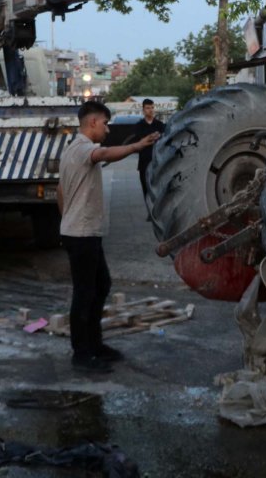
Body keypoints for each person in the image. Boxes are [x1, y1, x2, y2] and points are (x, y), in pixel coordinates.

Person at [57, 101, 160, 373]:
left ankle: (95, 345)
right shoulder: (81, 149)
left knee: (101, 286)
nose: (107, 128)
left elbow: (60, 192)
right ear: (92, 123)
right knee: (85, 293)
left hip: (81, 231)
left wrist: (67, 217)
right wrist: (137, 147)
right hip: (81, 234)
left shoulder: (70, 151)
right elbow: (103, 155)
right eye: (104, 123)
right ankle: (82, 354)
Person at [130, 99, 166, 204]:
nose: (150, 110)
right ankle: (149, 208)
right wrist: (151, 137)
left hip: (158, 160)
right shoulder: (139, 126)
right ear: (143, 110)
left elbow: (163, 139)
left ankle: (158, 208)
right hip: (144, 160)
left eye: (152, 107)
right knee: (145, 186)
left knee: (158, 185)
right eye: (148, 108)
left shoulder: (159, 125)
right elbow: (139, 141)